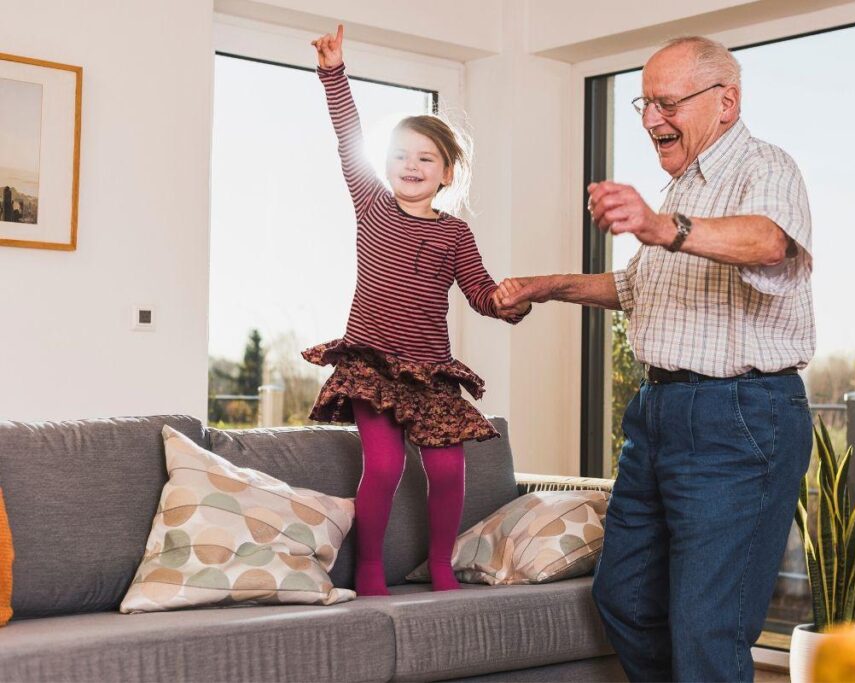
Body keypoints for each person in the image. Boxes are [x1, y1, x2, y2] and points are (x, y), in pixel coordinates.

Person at [499, 36, 815, 682]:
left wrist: (660, 228)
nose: (649, 120)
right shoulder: (679, 191)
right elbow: (638, 289)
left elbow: (770, 243)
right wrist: (545, 287)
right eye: (644, 103)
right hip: (658, 417)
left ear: (725, 102)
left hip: (739, 419)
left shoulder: (764, 167)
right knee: (625, 598)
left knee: (708, 628)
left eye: (666, 103)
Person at [303, 25, 530, 597]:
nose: (411, 164)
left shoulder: (455, 233)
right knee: (383, 466)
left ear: (447, 172)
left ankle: (440, 564)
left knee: (449, 471)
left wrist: (507, 304)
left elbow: (479, 292)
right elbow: (346, 134)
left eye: (426, 158)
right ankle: (371, 567)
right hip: (373, 366)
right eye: (401, 155)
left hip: (430, 372)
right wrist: (334, 72)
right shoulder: (373, 205)